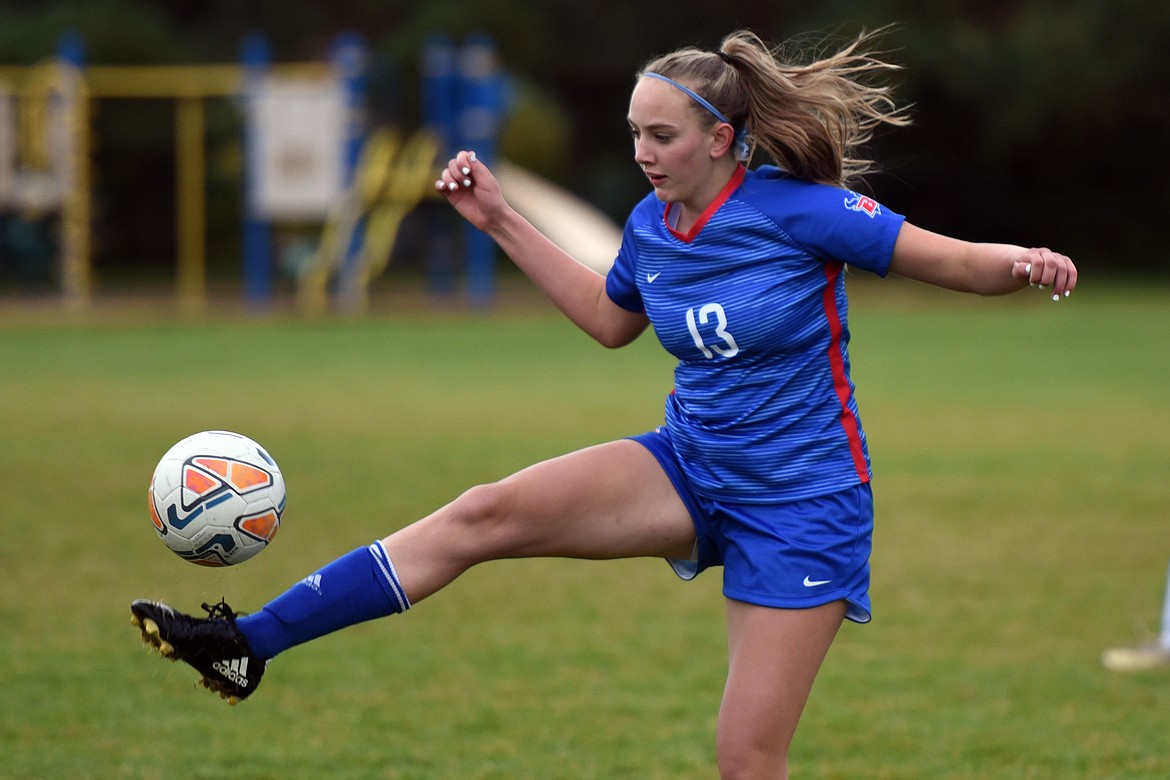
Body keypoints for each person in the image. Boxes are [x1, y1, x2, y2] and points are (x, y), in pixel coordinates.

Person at [131, 27, 1077, 779]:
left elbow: (947, 259)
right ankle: (247, 643)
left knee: (747, 762)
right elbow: (610, 320)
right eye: (633, 132)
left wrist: (1023, 263)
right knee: (484, 512)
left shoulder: (800, 212)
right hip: (689, 466)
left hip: (804, 507)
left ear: (721, 138)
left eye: (660, 135)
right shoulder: (649, 225)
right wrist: (500, 218)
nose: (642, 151)